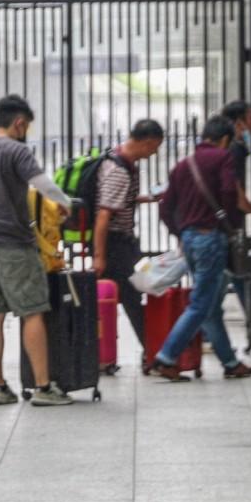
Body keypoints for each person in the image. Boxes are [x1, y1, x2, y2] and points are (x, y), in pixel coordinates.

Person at [0, 94, 76, 407]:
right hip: (15, 244)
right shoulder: (16, 150)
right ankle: (43, 387)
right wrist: (64, 203)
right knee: (32, 311)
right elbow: (42, 183)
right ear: (19, 123)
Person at [151, 116, 251, 382]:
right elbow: (229, 192)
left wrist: (180, 233)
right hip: (210, 238)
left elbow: (166, 207)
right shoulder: (223, 158)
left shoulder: (182, 165)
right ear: (225, 139)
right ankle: (166, 357)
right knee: (200, 305)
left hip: (190, 239)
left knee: (209, 306)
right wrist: (227, 222)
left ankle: (230, 362)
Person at [90, 119, 170, 354]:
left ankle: (146, 350)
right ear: (148, 142)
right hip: (115, 243)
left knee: (128, 294)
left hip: (121, 242)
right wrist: (99, 256)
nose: (155, 152)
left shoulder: (119, 159)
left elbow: (117, 201)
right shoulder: (120, 171)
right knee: (133, 295)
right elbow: (103, 215)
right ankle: (153, 352)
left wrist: (147, 198)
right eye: (155, 147)